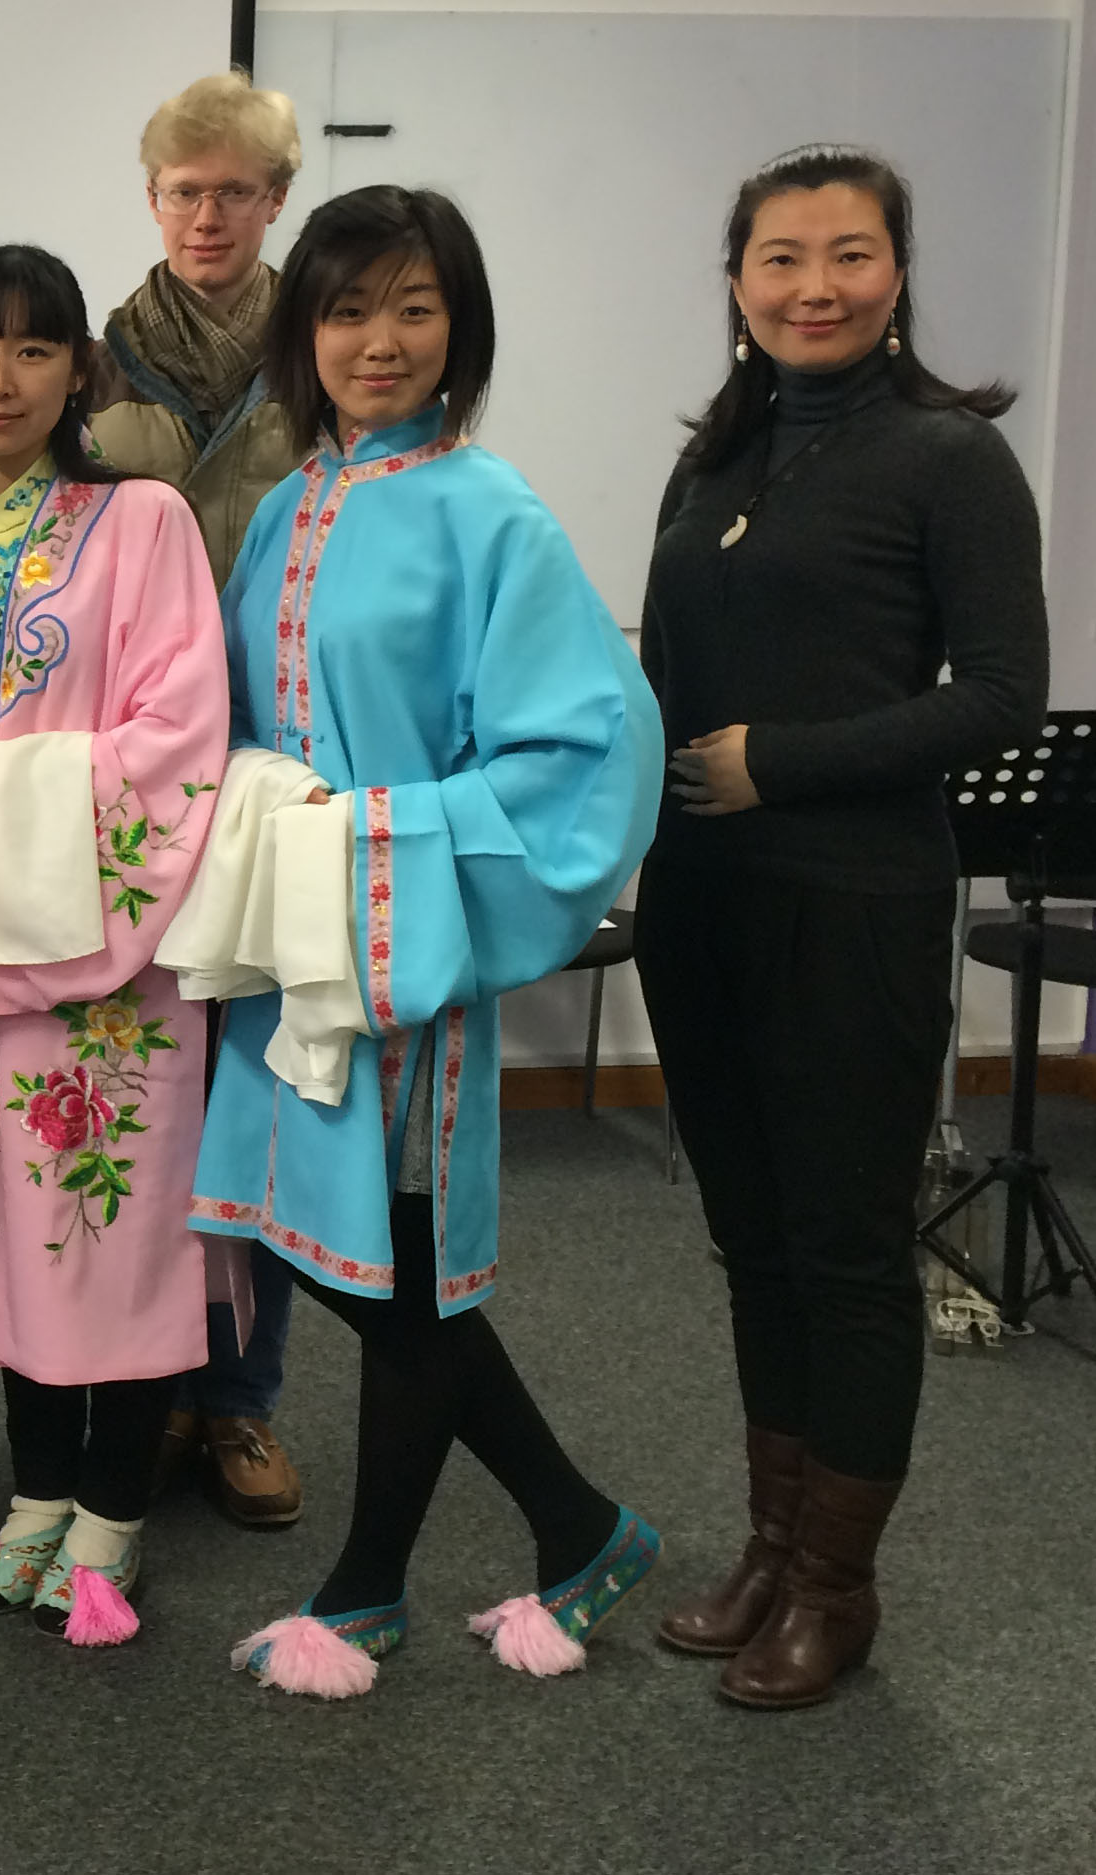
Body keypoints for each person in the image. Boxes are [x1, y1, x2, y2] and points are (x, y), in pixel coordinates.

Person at [196, 186, 664, 1699]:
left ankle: (378, 1584)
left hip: (398, 939)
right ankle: (573, 1526)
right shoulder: (290, 502)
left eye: (414, 306)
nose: (379, 341)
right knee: (343, 1255)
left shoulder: (490, 509)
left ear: (462, 324)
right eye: (346, 310)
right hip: (292, 945)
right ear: (303, 331)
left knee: (396, 1268)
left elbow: (584, 744)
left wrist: (379, 833)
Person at [634, 145, 1046, 1711]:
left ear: (899, 270)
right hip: (700, 901)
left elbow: (999, 696)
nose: (817, 287)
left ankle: (836, 1584)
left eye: (850, 254)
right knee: (753, 1241)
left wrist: (780, 763)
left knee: (849, 1251)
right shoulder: (715, 456)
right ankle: (771, 1542)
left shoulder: (951, 456)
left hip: (854, 904)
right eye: (783, 258)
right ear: (737, 280)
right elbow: (667, 678)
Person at [0, 246, 230, 1647]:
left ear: (80, 370)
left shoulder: (145, 519)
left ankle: (115, 1512)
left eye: (31, 349)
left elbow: (176, 736)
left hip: (110, 951)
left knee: (115, 1218)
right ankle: (34, 1497)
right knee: (3, 1225)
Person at [85, 65, 316, 1530]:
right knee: (147, 1087)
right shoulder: (92, 361)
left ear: (276, 200)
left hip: (283, 766)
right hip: (132, 770)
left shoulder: (325, 350)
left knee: (258, 1087)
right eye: (187, 191)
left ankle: (238, 1397)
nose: (210, 215)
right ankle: (148, 1382)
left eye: (237, 191)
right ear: (153, 197)